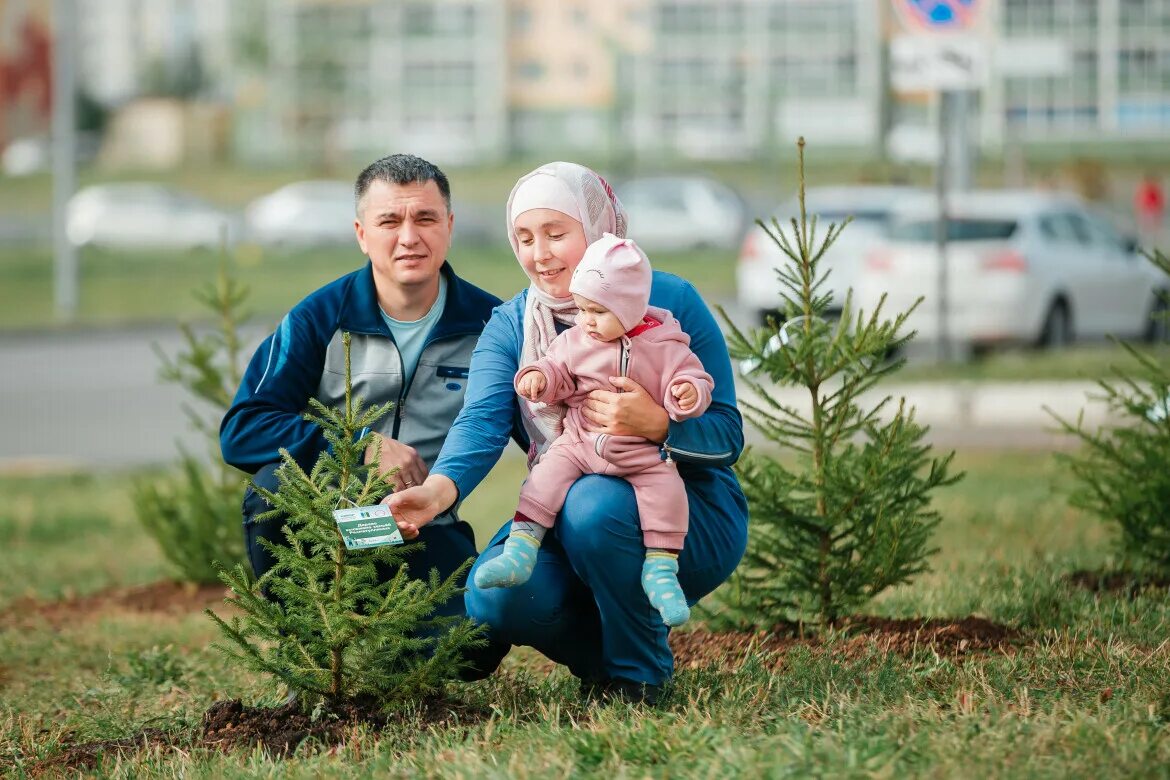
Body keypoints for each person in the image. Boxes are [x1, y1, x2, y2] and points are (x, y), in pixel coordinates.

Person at [387, 161, 749, 703]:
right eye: (526, 238)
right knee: (497, 600)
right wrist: (434, 496)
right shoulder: (513, 325)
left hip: (684, 512)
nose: (540, 254)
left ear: (599, 229)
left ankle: (640, 676)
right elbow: (481, 422)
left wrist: (657, 422)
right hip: (567, 501)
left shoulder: (670, 302)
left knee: (594, 506)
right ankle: (612, 660)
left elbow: (726, 434)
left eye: (557, 234)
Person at [219, 153, 510, 679]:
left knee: (473, 648)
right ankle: (307, 663)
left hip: (424, 527)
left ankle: (397, 652)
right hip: (332, 531)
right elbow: (244, 428)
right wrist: (357, 446)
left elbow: (547, 438)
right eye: (389, 221)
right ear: (361, 233)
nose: (409, 237)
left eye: (424, 219)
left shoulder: (495, 325)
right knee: (270, 486)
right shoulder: (318, 317)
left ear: (449, 226)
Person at [474, 233, 715, 630]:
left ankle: (661, 570)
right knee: (546, 476)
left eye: (597, 311)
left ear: (631, 307)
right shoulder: (576, 340)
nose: (585, 320)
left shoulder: (666, 345)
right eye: (582, 308)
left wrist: (686, 393)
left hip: (640, 453)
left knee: (667, 492)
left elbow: (692, 378)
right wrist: (538, 377)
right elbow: (557, 371)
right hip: (580, 441)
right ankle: (521, 547)